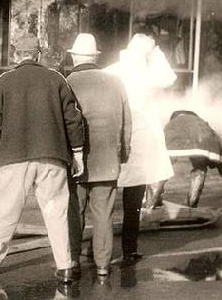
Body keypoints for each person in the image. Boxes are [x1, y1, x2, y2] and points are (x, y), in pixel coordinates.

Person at [0, 34, 85, 293]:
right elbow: (73, 119)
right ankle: (66, 267)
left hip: (13, 158)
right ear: (38, 54)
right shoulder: (57, 79)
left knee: (6, 211)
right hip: (53, 156)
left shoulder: (4, 81)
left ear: (17, 54)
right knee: (56, 212)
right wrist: (77, 153)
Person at [105, 31, 176, 266]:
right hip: (137, 146)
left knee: (102, 200)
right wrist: (157, 52)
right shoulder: (146, 75)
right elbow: (170, 77)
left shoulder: (113, 70)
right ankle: (129, 250)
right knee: (132, 204)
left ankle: (96, 250)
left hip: (112, 142)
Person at [65, 33, 132, 279]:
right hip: (107, 160)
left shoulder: (67, 81)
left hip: (77, 161)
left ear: (74, 57)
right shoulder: (116, 82)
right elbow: (126, 122)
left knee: (75, 212)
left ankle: (72, 261)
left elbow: (64, 122)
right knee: (103, 214)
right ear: (95, 57)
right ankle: (103, 265)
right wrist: (123, 154)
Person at [160, 110, 222, 208]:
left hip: (174, 140)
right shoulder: (202, 124)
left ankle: (152, 201)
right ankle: (192, 203)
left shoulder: (172, 124)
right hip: (201, 140)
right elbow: (218, 145)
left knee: (162, 166)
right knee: (200, 167)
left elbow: (157, 152)